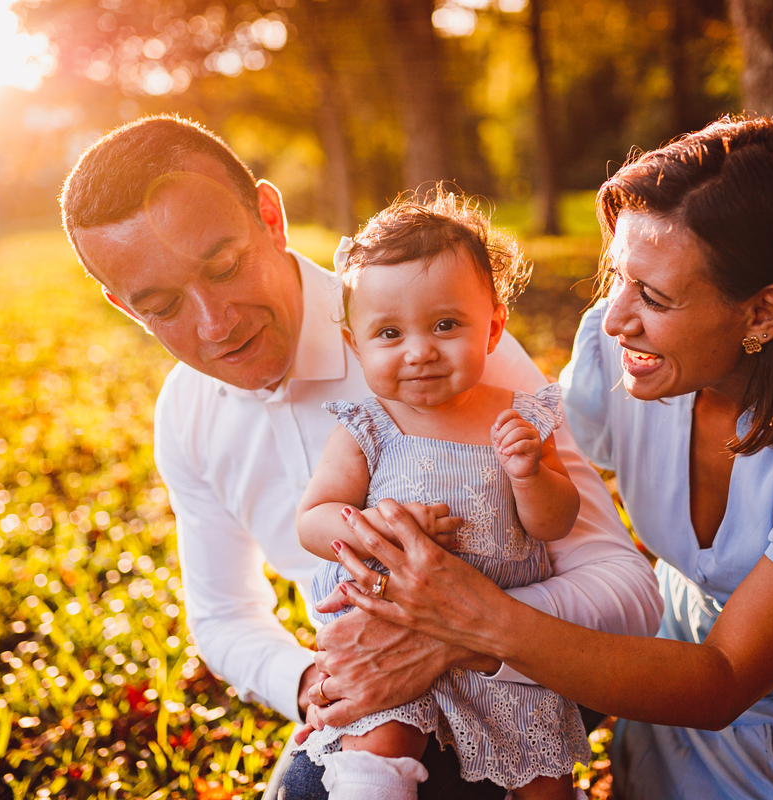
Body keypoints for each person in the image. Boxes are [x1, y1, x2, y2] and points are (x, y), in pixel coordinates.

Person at [310, 116, 773, 800]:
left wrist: (469, 627)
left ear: (762, 315)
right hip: (666, 674)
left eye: (654, 298)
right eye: (618, 279)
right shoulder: (622, 352)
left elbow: (724, 677)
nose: (613, 319)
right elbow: (549, 516)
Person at [57, 115, 662, 798]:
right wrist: (316, 682)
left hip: (520, 665)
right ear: (121, 304)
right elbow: (223, 614)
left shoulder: (432, 331)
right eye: (162, 306)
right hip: (372, 702)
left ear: (269, 215)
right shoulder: (186, 416)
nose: (214, 324)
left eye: (224, 267)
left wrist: (459, 634)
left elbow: (628, 591)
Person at [295, 193, 588, 800]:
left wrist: (531, 475)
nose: (419, 350)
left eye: (446, 325)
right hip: (390, 628)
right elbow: (314, 520)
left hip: (499, 643)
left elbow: (555, 523)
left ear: (494, 327)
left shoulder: (519, 417)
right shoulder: (366, 427)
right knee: (378, 749)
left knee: (543, 775)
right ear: (356, 345)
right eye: (389, 333)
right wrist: (376, 524)